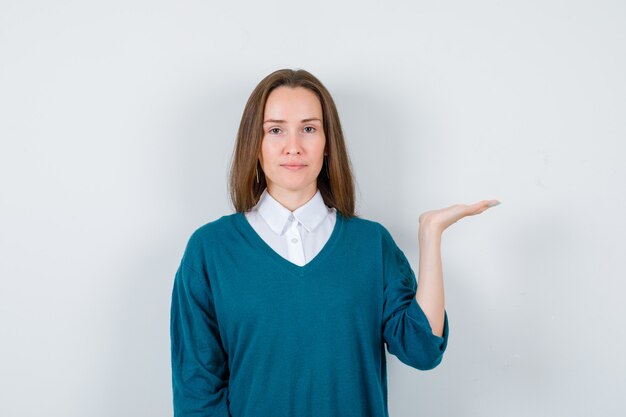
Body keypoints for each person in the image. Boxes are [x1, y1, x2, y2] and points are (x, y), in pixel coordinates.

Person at [170, 68, 500, 417]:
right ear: (255, 144)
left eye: (309, 129)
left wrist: (431, 236)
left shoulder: (372, 245)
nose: (293, 146)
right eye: (276, 129)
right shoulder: (210, 250)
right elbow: (197, 391)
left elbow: (423, 350)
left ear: (328, 144)